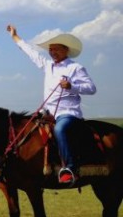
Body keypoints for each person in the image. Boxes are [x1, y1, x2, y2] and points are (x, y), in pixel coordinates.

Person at [7, 24, 97, 185]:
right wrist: (15, 36)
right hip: (47, 113)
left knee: (60, 129)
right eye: (50, 49)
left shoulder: (75, 68)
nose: (52, 52)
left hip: (68, 112)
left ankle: (70, 168)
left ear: (66, 50)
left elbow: (91, 88)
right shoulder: (48, 66)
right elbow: (31, 53)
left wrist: (72, 87)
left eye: (56, 49)